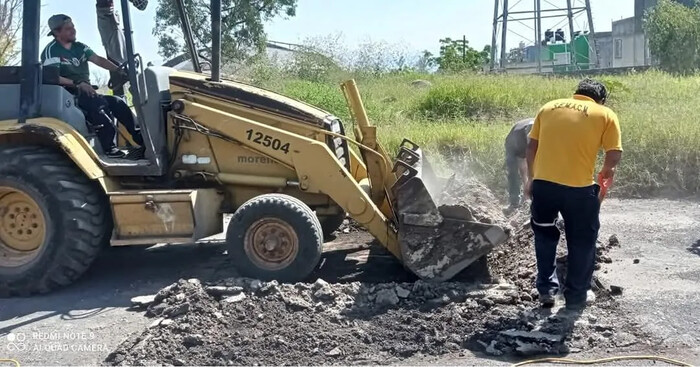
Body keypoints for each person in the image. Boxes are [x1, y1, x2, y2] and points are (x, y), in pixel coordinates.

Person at [525, 78, 622, 311]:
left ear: (576, 94)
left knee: (545, 235)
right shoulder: (605, 113)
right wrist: (603, 183)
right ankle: (576, 297)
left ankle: (546, 290)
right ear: (602, 99)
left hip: (544, 186)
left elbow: (531, 146)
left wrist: (531, 179)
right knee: (582, 241)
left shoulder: (548, 107)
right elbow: (613, 155)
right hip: (579, 190)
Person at [41, 14, 144, 159]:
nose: (73, 30)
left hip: (86, 91)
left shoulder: (80, 47)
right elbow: (52, 77)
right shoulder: (52, 51)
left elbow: (99, 60)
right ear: (57, 33)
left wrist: (119, 70)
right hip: (67, 93)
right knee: (99, 105)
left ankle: (141, 139)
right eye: (68, 28)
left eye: (73, 27)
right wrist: (77, 84)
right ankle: (109, 148)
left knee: (118, 102)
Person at [95, 0, 148, 99]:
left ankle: (135, 87)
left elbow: (142, 5)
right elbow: (141, 5)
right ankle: (136, 90)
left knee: (123, 59)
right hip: (107, 15)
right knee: (122, 60)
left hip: (108, 16)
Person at [504, 118, 535, 209]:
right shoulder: (521, 140)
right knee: (513, 170)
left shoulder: (543, 130)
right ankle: (514, 201)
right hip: (512, 145)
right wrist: (527, 183)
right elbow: (523, 164)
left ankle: (534, 198)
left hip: (526, 138)